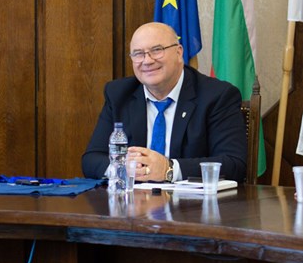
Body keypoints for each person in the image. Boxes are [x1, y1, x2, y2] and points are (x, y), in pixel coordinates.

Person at [82, 22, 247, 184]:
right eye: (138, 54)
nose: (147, 61)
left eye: (157, 50)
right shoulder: (119, 94)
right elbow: (91, 160)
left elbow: (234, 164)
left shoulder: (217, 95)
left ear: (179, 52)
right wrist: (123, 168)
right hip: (134, 199)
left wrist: (168, 169)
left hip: (191, 201)